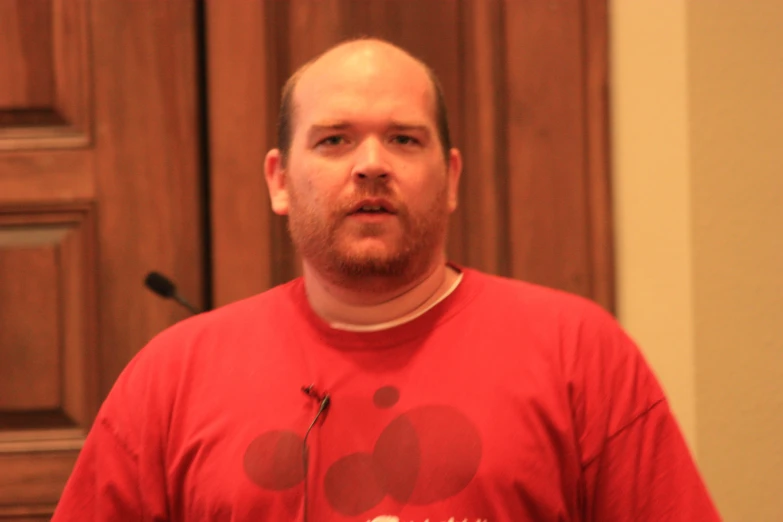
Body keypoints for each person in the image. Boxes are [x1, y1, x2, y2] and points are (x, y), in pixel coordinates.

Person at [52, 38, 721, 522]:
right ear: (279, 181)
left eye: (403, 139)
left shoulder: (579, 353)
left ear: (451, 176)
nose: (371, 165)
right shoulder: (171, 378)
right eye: (334, 140)